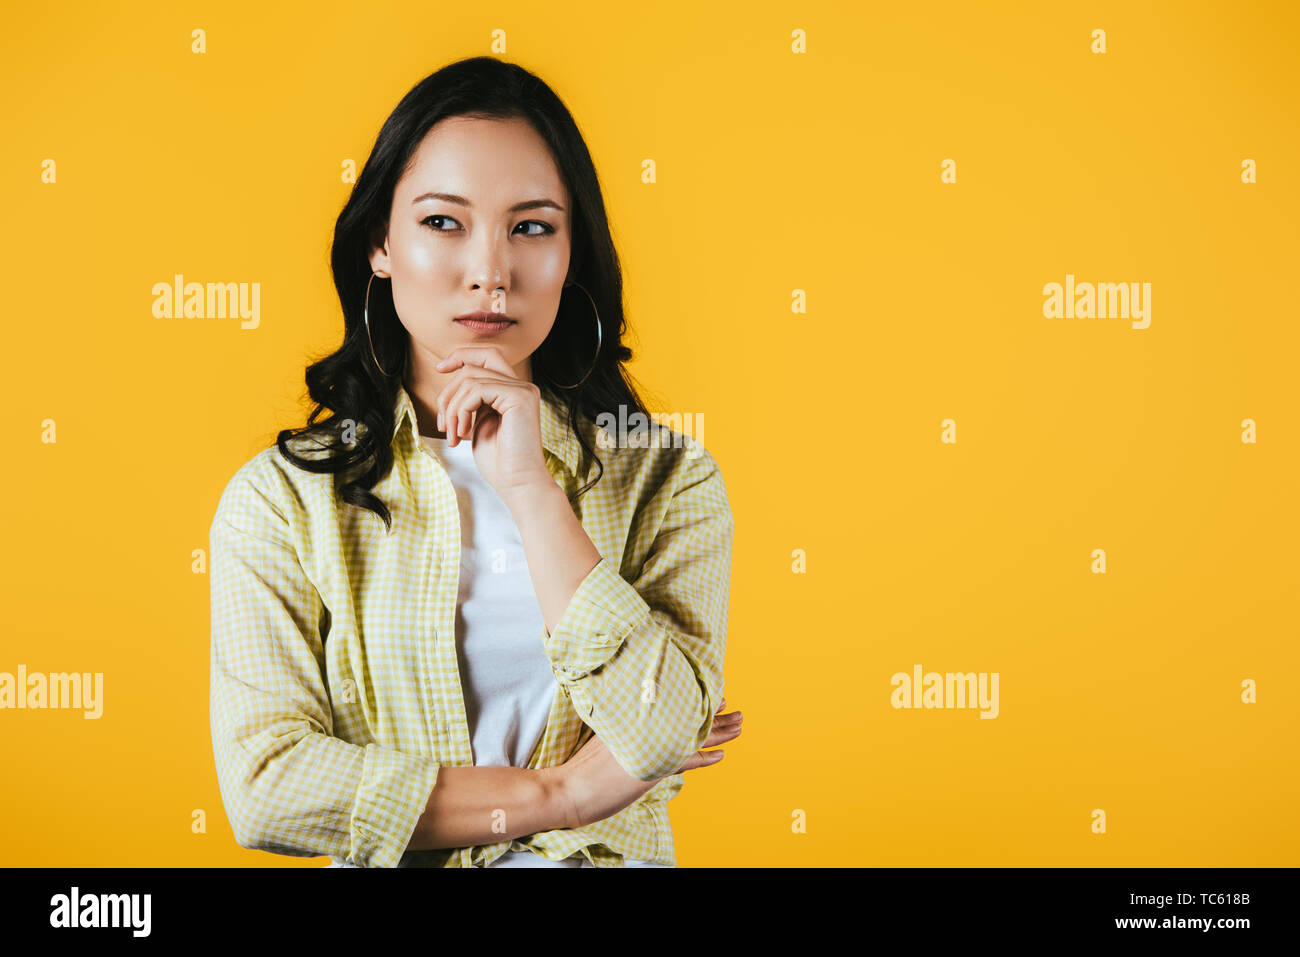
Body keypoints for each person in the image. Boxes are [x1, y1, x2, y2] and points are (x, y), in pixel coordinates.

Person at [208, 56, 741, 868]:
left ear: (572, 255)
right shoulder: (284, 500)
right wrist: (560, 793)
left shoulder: (669, 479)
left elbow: (662, 725)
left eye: (531, 226)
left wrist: (530, 489)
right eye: (443, 222)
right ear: (380, 245)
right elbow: (268, 785)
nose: (490, 270)